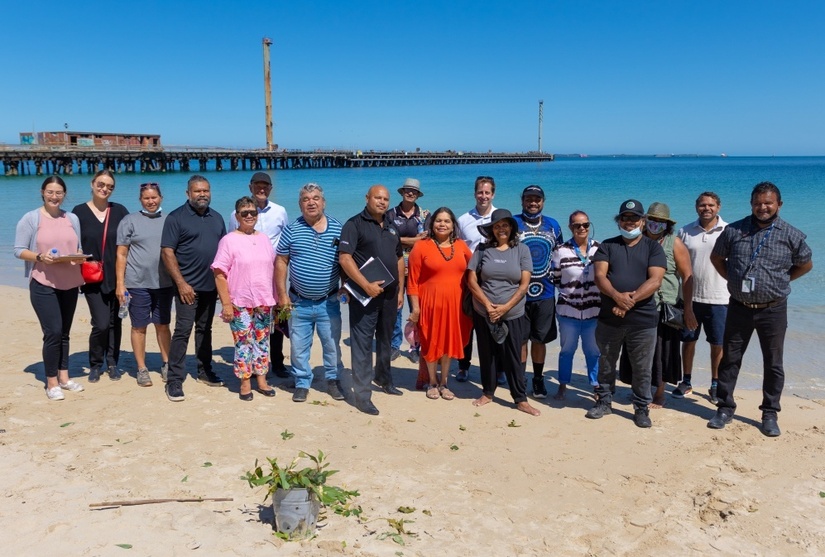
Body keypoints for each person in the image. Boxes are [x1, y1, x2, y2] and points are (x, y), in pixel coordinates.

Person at [708, 182, 812, 437]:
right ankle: (724, 407)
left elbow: (805, 265)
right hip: (739, 307)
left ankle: (769, 413)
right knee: (730, 359)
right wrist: (732, 280)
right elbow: (716, 258)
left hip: (773, 309)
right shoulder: (734, 230)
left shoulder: (791, 234)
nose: (763, 207)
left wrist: (781, 282)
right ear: (751, 203)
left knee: (773, 363)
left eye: (768, 203)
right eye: (758, 203)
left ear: (779, 204)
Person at [587, 200, 666, 428]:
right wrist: (617, 296)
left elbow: (655, 280)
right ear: (618, 221)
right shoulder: (607, 246)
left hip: (643, 321)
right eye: (625, 218)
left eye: (634, 218)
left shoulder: (653, 247)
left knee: (642, 367)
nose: (629, 222)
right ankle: (604, 401)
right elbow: (600, 277)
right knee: (606, 362)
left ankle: (641, 407)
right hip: (609, 318)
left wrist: (626, 302)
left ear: (643, 222)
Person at [619, 202, 697, 408]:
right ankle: (639, 389)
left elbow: (687, 276)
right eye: (653, 220)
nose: (656, 224)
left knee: (662, 353)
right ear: (645, 221)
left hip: (664, 307)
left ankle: (659, 393)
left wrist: (688, 308)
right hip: (637, 305)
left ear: (667, 224)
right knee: (637, 351)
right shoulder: (636, 239)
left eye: (660, 221)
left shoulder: (675, 243)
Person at [14, 176, 86, 400]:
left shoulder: (72, 218)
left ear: (64, 194)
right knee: (53, 332)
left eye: (59, 193)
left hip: (70, 283)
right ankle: (51, 382)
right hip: (42, 282)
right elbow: (19, 250)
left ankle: (64, 378)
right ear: (43, 192)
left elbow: (79, 248)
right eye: (50, 192)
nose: (54, 196)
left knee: (64, 333)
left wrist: (79, 258)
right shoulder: (31, 218)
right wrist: (39, 257)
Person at [275, 183, 346, 403]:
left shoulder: (337, 228)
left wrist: (346, 287)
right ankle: (302, 382)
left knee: (332, 344)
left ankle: (332, 381)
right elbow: (281, 262)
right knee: (298, 347)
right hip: (298, 302)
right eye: (306, 199)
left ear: (323, 202)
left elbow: (345, 261)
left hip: (329, 301)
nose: (311, 202)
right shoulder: (291, 229)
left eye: (316, 198)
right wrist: (282, 296)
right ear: (300, 204)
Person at [338, 185, 405, 415]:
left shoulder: (392, 225)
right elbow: (345, 259)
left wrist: (401, 290)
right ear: (367, 198)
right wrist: (365, 285)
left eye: (386, 199)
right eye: (378, 197)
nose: (382, 202)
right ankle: (363, 394)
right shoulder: (353, 224)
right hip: (364, 295)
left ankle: (384, 379)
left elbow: (399, 259)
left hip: (389, 295)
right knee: (363, 344)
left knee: (386, 340)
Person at [467, 209, 540, 416]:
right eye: (497, 226)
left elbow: (524, 284)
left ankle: (520, 399)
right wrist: (488, 306)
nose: (501, 229)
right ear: (492, 229)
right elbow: (471, 280)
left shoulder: (522, 250)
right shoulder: (482, 249)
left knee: (513, 355)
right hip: (484, 311)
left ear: (512, 228)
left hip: (513, 312)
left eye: (505, 225)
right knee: (487, 353)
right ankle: (488, 393)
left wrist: (505, 307)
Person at [161, 175, 227, 402]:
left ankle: (204, 370)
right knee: (182, 331)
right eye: (197, 191)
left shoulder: (217, 218)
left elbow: (224, 253)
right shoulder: (176, 217)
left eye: (206, 191)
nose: (202, 194)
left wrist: (224, 285)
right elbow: (167, 252)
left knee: (205, 329)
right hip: (186, 287)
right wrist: (181, 283)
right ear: (188, 193)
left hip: (210, 286)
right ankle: (174, 379)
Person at [212, 197, 278, 401]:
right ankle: (245, 382)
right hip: (239, 301)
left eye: (253, 212)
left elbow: (272, 270)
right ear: (237, 216)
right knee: (243, 342)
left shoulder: (264, 239)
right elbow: (219, 273)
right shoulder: (229, 240)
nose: (249, 216)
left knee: (262, 341)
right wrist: (226, 304)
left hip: (264, 300)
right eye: (244, 213)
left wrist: (275, 298)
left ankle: (262, 379)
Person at [407, 207, 472, 401]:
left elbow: (474, 271)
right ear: (432, 223)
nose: (442, 224)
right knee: (431, 343)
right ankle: (432, 382)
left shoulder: (461, 246)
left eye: (447, 221)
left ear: (453, 226)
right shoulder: (421, 246)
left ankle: (444, 382)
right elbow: (413, 281)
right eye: (438, 221)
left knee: (448, 343)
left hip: (455, 304)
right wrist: (415, 308)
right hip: (429, 303)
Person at [229, 171, 289, 378]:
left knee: (277, 318)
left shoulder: (280, 211)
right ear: (250, 187)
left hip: (274, 272)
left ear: (271, 189)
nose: (261, 189)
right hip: (248, 276)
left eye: (265, 186)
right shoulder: (236, 213)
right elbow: (232, 243)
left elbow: (286, 240)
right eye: (257, 185)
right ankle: (252, 364)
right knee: (249, 323)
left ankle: (277, 362)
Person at [72, 170, 130, 381]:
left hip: (118, 275)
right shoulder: (78, 212)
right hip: (92, 276)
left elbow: (129, 242)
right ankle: (96, 363)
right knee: (101, 323)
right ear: (92, 184)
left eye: (109, 186)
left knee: (116, 321)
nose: (105, 189)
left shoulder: (120, 210)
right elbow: (71, 242)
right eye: (101, 184)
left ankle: (113, 362)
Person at [115, 182, 174, 387]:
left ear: (161, 198)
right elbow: (121, 254)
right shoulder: (129, 221)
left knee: (163, 325)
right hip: (137, 282)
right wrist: (120, 284)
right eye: (147, 198)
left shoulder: (170, 220)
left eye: (154, 197)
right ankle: (142, 368)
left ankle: (167, 363)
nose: (151, 201)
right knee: (139, 326)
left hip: (164, 283)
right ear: (141, 200)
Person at [676, 192, 728, 403]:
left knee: (718, 344)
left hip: (721, 298)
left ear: (719, 207)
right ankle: (686, 381)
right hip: (690, 298)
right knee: (688, 341)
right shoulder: (684, 231)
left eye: (711, 205)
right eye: (702, 205)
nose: (707, 208)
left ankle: (715, 384)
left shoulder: (729, 231)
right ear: (696, 207)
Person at [513, 185, 563, 398]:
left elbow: (560, 256)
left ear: (543, 201)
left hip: (546, 293)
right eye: (529, 199)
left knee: (540, 339)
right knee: (521, 339)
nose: (533, 203)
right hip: (518, 293)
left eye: (537, 199)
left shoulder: (553, 225)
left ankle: (538, 379)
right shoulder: (513, 223)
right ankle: (521, 378)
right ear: (522, 200)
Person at [551, 210, 601, 400]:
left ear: (590, 226)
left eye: (585, 225)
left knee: (593, 351)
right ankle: (563, 385)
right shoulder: (560, 250)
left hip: (594, 311)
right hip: (568, 312)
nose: (581, 228)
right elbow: (555, 279)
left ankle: (595, 386)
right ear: (570, 227)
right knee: (567, 351)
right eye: (577, 225)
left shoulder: (600, 249)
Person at [455, 176, 498, 383]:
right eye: (480, 192)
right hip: (469, 278)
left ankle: (497, 369)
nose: (483, 196)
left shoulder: (500, 218)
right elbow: (457, 250)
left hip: (494, 279)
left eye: (487, 192)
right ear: (475, 194)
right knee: (468, 323)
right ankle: (463, 366)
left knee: (494, 322)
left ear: (493, 194)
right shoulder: (463, 220)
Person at [387, 178, 429, 363]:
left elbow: (426, 240)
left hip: (418, 268)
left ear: (418, 194)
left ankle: (415, 346)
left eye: (413, 191)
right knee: (396, 306)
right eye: (407, 190)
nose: (410, 193)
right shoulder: (390, 214)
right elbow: (387, 238)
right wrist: (413, 240)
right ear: (402, 192)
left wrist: (399, 238)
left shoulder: (425, 214)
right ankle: (394, 345)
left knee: (416, 309)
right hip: (394, 266)